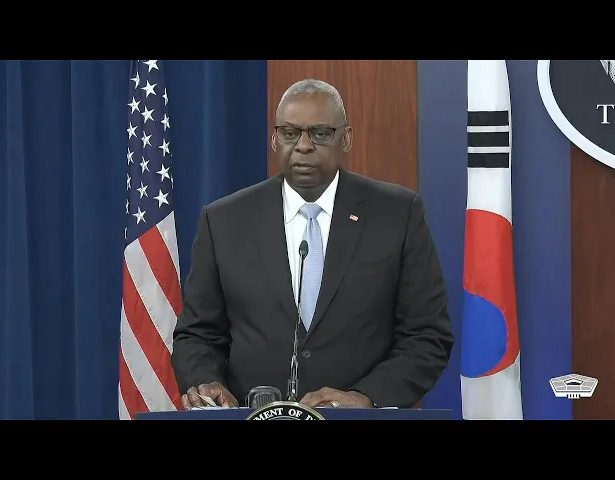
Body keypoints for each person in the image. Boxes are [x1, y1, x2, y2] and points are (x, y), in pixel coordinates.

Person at [171, 79, 453, 410]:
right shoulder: (225, 220)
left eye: (320, 133)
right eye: (289, 133)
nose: (303, 146)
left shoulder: (397, 214)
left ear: (345, 138)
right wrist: (208, 383)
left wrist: (365, 398)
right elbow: (198, 335)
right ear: (275, 139)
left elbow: (427, 337)